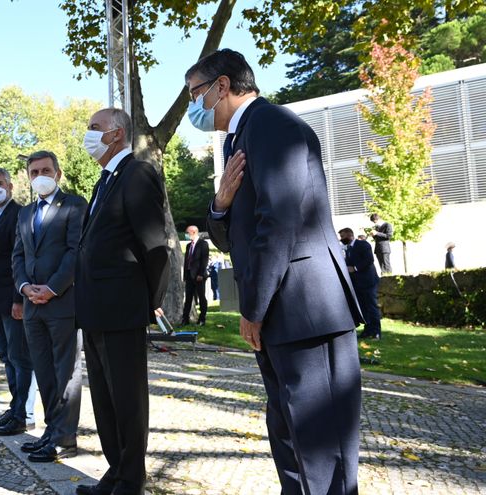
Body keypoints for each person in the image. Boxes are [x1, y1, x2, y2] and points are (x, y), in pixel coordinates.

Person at [189, 48, 364, 494]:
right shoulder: (237, 140)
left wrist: (254, 308)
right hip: (281, 314)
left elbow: (280, 221)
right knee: (289, 438)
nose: (194, 105)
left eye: (196, 93)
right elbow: (231, 236)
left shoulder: (272, 126)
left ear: (222, 86)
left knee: (323, 449)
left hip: (306, 309)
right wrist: (220, 204)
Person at [75, 108, 169, 495]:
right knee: (105, 400)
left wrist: (148, 302)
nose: (88, 135)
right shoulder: (104, 181)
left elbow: (156, 248)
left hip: (121, 307)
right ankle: (116, 471)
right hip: (96, 308)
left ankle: (131, 480)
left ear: (116, 135)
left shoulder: (137, 173)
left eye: (94, 128)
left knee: (127, 399)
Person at [12, 150, 86, 463]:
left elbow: (75, 251)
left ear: (57, 173)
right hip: (32, 306)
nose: (40, 175)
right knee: (43, 371)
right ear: (28, 177)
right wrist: (25, 287)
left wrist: (52, 288)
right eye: (34, 171)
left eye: (45, 170)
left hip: (62, 303)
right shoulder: (25, 213)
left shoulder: (74, 205)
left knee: (66, 372)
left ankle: (65, 438)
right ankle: (51, 429)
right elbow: (17, 256)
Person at [0, 167, 34, 435]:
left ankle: (22, 413)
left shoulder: (18, 214)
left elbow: (19, 259)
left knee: (19, 357)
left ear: (10, 187)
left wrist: (18, 299)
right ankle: (14, 408)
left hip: (12, 302)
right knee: (7, 357)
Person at [340, 228, 382, 340]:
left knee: (372, 307)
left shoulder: (362, 244)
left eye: (343, 236)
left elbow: (369, 260)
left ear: (350, 235)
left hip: (368, 282)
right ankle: (367, 330)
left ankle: (376, 332)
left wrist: (355, 268)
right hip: (357, 284)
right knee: (363, 308)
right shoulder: (348, 249)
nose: (341, 239)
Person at [181, 225, 210, 326]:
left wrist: (201, 274)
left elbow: (204, 260)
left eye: (187, 233)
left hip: (199, 276)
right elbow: (186, 261)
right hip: (189, 275)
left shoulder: (203, 244)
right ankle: (185, 319)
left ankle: (202, 319)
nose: (186, 235)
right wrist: (185, 275)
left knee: (201, 297)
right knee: (188, 298)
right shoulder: (189, 245)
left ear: (193, 232)